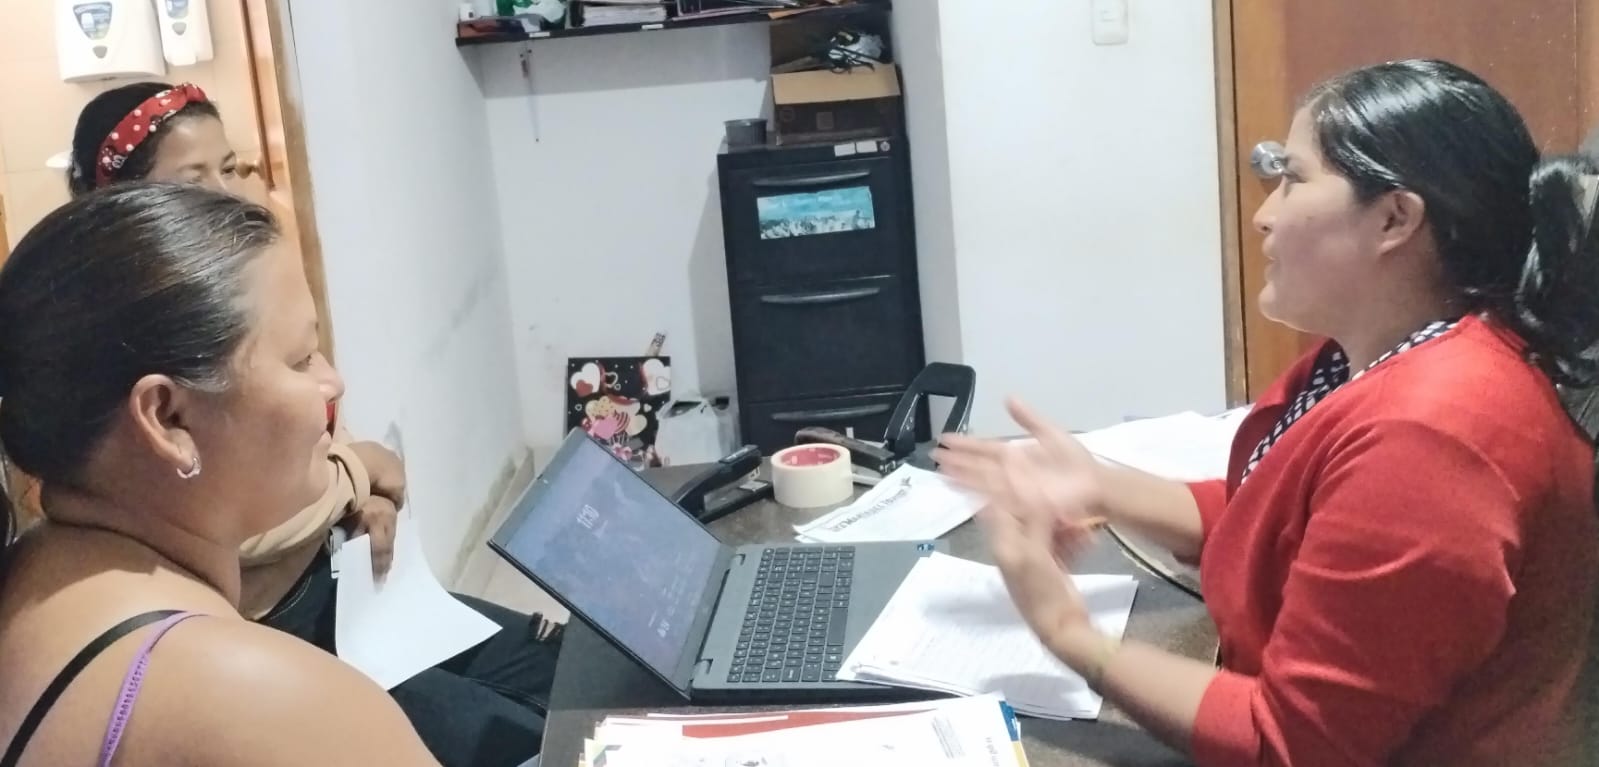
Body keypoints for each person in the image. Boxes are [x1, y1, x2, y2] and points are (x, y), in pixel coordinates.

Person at [937, 59, 1599, 766]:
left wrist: (1067, 631)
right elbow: (1282, 519)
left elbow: (1291, 742)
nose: (1264, 213)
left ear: (1393, 218)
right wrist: (1098, 484)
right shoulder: (1384, 353)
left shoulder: (1431, 437)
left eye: (1294, 178)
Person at [59, 82, 561, 766]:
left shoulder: (241, 287)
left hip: (347, 583)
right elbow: (233, 518)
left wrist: (362, 494)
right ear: (124, 203)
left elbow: (312, 436)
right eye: (193, 179)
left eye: (230, 167)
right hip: (280, 627)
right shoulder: (132, 349)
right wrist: (357, 471)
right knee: (514, 739)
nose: (228, 194)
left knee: (566, 671)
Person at [0, 184, 440, 765]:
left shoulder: (29, 579)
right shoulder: (261, 699)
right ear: (168, 418)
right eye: (301, 359)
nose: (332, 383)